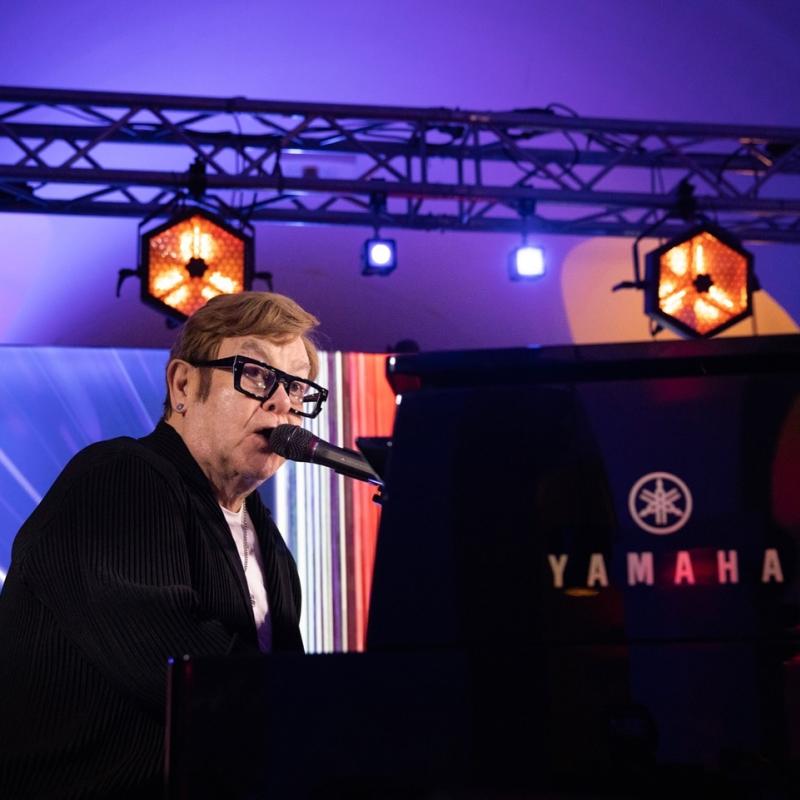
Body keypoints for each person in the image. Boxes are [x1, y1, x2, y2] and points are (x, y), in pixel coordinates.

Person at [0, 291, 327, 799]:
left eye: (297, 385)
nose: (283, 402)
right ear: (182, 384)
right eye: (258, 374)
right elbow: (194, 683)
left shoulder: (269, 542)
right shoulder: (117, 478)